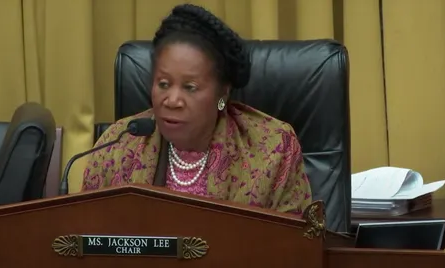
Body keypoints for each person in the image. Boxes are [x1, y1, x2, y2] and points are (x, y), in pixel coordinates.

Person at [82, 4, 312, 217]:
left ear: (223, 93)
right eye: (163, 84)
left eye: (189, 87)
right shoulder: (116, 145)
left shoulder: (273, 150)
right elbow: (87, 233)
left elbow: (293, 245)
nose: (172, 100)